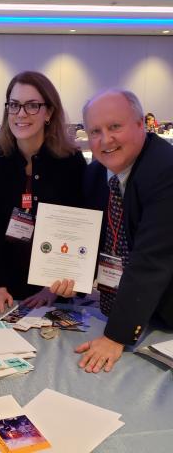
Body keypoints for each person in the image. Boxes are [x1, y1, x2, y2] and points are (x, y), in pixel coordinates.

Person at [58, 89, 173, 373]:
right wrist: (65, 273)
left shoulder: (166, 170)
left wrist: (115, 336)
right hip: (129, 304)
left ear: (140, 124)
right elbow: (88, 236)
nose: (105, 139)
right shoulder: (97, 173)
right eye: (95, 130)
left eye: (115, 127)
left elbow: (151, 261)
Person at [0, 71, 86, 314]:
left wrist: (53, 287)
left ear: (49, 112)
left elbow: (76, 228)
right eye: (15, 105)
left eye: (32, 106)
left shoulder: (71, 162)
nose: (21, 114)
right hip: (6, 284)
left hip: (56, 285)